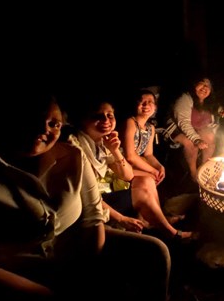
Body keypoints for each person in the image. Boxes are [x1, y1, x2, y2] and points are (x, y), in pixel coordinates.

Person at [0, 88, 194, 301]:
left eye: (53, 123)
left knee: (155, 251)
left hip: (81, 245)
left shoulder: (71, 156)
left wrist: (90, 266)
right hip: (26, 265)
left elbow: (91, 217)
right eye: (34, 119)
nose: (43, 129)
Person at [69, 95, 195, 241]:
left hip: (107, 190)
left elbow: (131, 172)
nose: (105, 120)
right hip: (91, 206)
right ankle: (173, 233)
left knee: (146, 181)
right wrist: (121, 218)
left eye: (110, 115)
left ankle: (154, 221)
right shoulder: (76, 147)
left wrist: (115, 151)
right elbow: (130, 156)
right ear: (83, 119)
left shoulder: (105, 142)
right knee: (146, 183)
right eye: (98, 116)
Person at [122, 89, 195, 241]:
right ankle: (169, 229)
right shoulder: (131, 122)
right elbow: (130, 155)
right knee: (150, 177)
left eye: (150, 102)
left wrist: (159, 167)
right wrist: (152, 171)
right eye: (142, 101)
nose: (146, 105)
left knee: (151, 178)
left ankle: (150, 219)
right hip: (123, 166)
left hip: (136, 167)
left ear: (155, 107)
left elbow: (148, 155)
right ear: (136, 105)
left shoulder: (150, 128)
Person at [164, 76, 224, 183]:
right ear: (194, 85)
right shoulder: (185, 99)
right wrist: (196, 139)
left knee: (209, 136)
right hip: (178, 129)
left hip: (197, 129)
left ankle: (205, 168)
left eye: (208, 86)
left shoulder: (208, 102)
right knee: (190, 143)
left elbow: (219, 110)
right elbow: (183, 123)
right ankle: (194, 174)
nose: (205, 87)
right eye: (202, 83)